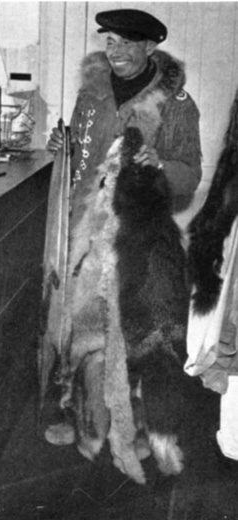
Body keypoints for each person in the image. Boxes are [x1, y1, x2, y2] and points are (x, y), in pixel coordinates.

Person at [43, 9, 202, 482]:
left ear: (150, 48)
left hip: (140, 238)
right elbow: (81, 152)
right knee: (83, 329)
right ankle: (88, 425)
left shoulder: (176, 103)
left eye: (125, 44)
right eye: (108, 41)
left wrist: (160, 167)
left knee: (131, 335)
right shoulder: (92, 90)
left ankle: (133, 432)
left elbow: (190, 174)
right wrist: (63, 144)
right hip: (85, 233)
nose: (113, 51)